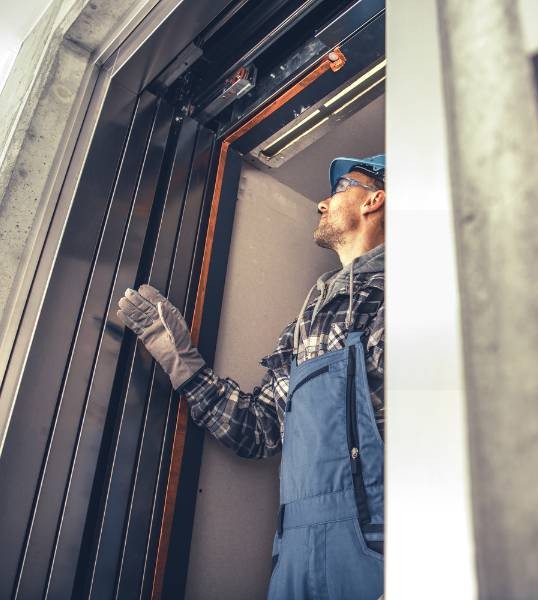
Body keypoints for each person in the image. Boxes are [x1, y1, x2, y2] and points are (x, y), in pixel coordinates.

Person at [116, 154, 386, 600]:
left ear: (375, 199)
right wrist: (179, 359)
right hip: (294, 560)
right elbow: (257, 429)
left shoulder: (408, 290)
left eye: (340, 188)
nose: (321, 204)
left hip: (382, 553)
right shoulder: (309, 318)